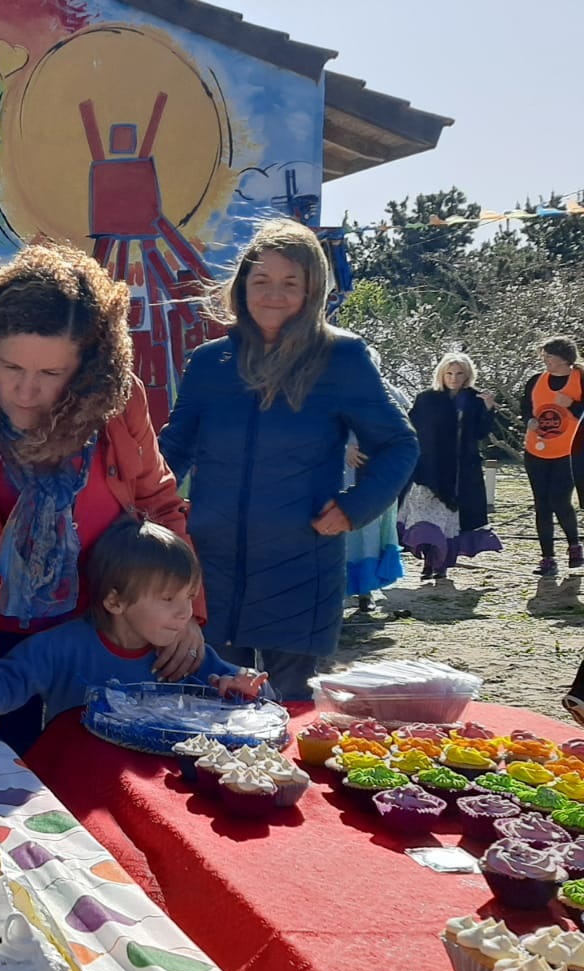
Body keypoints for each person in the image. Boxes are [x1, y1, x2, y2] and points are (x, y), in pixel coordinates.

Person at [0, 241, 203, 752]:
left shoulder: (120, 404)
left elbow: (160, 508)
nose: (26, 392)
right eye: (12, 369)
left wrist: (186, 612)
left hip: (98, 642)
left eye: (51, 374)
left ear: (91, 370)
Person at [158, 219, 418, 700]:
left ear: (312, 289)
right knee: (210, 706)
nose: (273, 294)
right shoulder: (209, 362)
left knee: (289, 718)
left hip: (300, 569)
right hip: (211, 568)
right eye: (261, 281)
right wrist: (143, 510)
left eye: (289, 283)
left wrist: (353, 509)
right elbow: (173, 448)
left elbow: (399, 444)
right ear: (241, 286)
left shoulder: (341, 357)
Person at [0, 519, 264, 733]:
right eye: (168, 599)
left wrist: (241, 689)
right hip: (74, 786)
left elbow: (251, 700)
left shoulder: (184, 654)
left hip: (158, 789)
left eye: (190, 597)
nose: (185, 613)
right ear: (115, 602)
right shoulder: (68, 645)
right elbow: (11, 672)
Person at [398, 351, 501, 581]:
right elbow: (411, 428)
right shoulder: (427, 399)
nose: (454, 378)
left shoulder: (474, 399)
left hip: (460, 471)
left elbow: (481, 433)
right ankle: (428, 560)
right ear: (442, 374)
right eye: (450, 373)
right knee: (424, 516)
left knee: (449, 520)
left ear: (467, 375)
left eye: (459, 374)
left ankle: (441, 563)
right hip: (429, 468)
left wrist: (489, 409)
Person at [344, 349, 407, 614]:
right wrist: (343, 446)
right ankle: (339, 590)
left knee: (371, 532)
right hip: (343, 475)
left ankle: (365, 590)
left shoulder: (392, 395)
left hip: (378, 476)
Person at [518, 336, 583, 575]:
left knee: (559, 500)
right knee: (541, 504)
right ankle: (547, 558)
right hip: (537, 450)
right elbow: (525, 407)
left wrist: (573, 406)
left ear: (565, 359)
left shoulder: (580, 379)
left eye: (550, 357)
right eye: (543, 356)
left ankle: (574, 546)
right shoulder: (536, 380)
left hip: (570, 451)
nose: (545, 361)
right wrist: (530, 420)